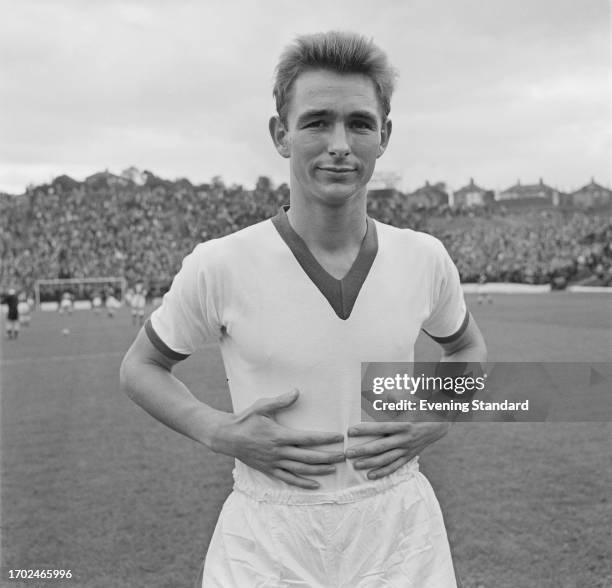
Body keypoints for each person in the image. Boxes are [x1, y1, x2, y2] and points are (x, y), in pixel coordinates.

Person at [121, 31, 487, 587]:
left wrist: (438, 414)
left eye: (359, 123)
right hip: (267, 536)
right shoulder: (221, 262)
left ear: (383, 136)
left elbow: (467, 347)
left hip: (400, 531)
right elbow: (140, 367)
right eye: (317, 121)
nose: (340, 142)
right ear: (281, 134)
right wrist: (216, 430)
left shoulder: (423, 257)